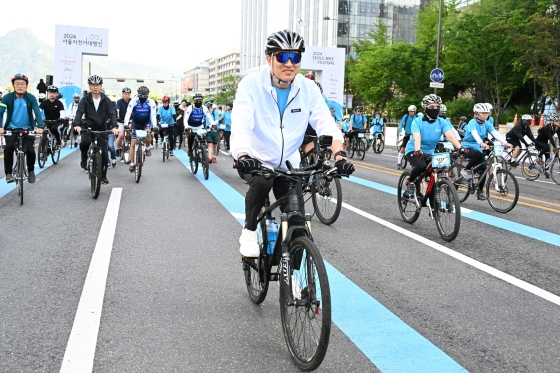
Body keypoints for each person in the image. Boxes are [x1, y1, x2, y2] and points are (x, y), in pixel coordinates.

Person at [231, 29, 354, 257]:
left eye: (295, 57)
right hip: (256, 160)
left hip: (289, 165)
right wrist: (242, 155)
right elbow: (241, 122)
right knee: (263, 181)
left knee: (298, 223)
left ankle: (296, 286)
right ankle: (248, 231)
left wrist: (340, 156)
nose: (289, 63)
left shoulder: (308, 89)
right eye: (282, 56)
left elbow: (326, 123)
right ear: (269, 59)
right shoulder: (251, 85)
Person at [404, 94, 462, 205]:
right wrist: (417, 150)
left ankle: (434, 205)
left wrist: (460, 148)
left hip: (431, 152)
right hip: (414, 150)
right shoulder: (417, 121)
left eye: (437, 107)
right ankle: (410, 183)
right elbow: (417, 137)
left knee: (434, 174)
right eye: (432, 107)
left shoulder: (442, 122)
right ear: (425, 107)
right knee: (421, 166)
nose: (435, 109)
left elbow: (450, 136)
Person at [73, 75, 119, 185]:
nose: (95, 87)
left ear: (101, 86)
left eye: (97, 85)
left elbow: (112, 113)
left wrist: (114, 126)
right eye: (93, 85)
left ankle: (103, 175)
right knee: (85, 142)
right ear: (89, 86)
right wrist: (77, 124)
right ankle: (84, 157)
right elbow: (79, 112)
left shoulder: (106, 100)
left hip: (102, 128)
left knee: (104, 152)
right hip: (88, 126)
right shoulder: (85, 100)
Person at [461, 103, 512, 200]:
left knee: (483, 168)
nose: (485, 115)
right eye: (483, 113)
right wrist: (481, 142)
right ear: (476, 113)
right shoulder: (472, 122)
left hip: (478, 145)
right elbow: (474, 133)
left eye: (486, 113)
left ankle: (480, 191)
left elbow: (494, 133)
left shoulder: (487, 123)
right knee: (479, 154)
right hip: (467, 145)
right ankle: (466, 170)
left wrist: (505, 142)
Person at [0, 74, 45, 184]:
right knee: (9, 147)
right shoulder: (7, 98)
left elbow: (37, 112)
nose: (20, 86)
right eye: (17, 84)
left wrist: (40, 126)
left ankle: (31, 171)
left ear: (26, 86)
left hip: (28, 128)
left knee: (30, 150)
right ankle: (9, 174)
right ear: (13, 86)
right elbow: (0, 113)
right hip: (11, 129)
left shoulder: (31, 98)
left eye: (22, 84)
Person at [123, 86, 157, 172]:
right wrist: (126, 124)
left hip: (146, 123)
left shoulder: (151, 102)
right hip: (136, 123)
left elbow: (153, 115)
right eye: (141, 96)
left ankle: (147, 148)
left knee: (148, 134)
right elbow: (128, 113)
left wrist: (155, 126)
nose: (143, 98)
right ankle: (132, 163)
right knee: (133, 143)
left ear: (147, 95)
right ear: (138, 95)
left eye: (144, 96)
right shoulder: (133, 101)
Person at [184, 92, 218, 158]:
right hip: (191, 126)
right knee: (191, 136)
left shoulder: (204, 107)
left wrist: (213, 124)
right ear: (194, 101)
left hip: (200, 126)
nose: (198, 102)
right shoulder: (190, 108)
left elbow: (209, 117)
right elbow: (185, 118)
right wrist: (186, 126)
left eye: (200, 100)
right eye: (197, 101)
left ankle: (202, 150)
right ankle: (190, 150)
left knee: (203, 138)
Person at [397, 105, 419, 169]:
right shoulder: (406, 116)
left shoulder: (417, 117)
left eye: (412, 111)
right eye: (410, 111)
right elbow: (401, 124)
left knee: (416, 149)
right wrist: (401, 131)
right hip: (407, 135)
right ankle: (398, 163)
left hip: (414, 136)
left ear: (415, 111)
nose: (411, 113)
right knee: (402, 148)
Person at [116, 87, 132, 155]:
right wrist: (118, 117)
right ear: (123, 94)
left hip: (130, 120)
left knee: (131, 133)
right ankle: (117, 148)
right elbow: (117, 110)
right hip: (121, 120)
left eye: (128, 94)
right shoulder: (119, 101)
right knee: (121, 135)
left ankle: (131, 147)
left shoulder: (132, 101)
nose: (127, 95)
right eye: (125, 94)